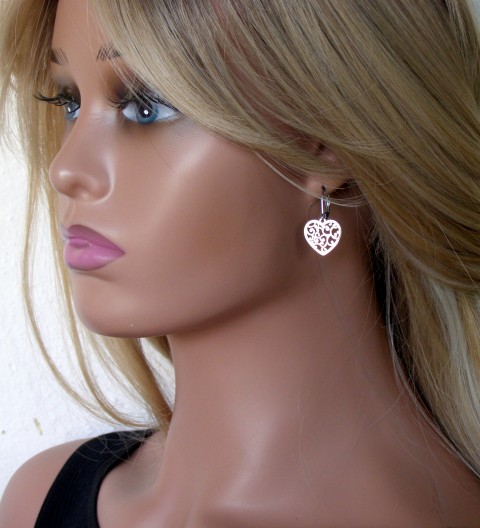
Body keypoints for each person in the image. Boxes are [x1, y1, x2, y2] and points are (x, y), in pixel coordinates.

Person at [0, 0, 479, 525]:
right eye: (69, 101)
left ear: (327, 148)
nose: (65, 168)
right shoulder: (36, 500)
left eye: (146, 106)